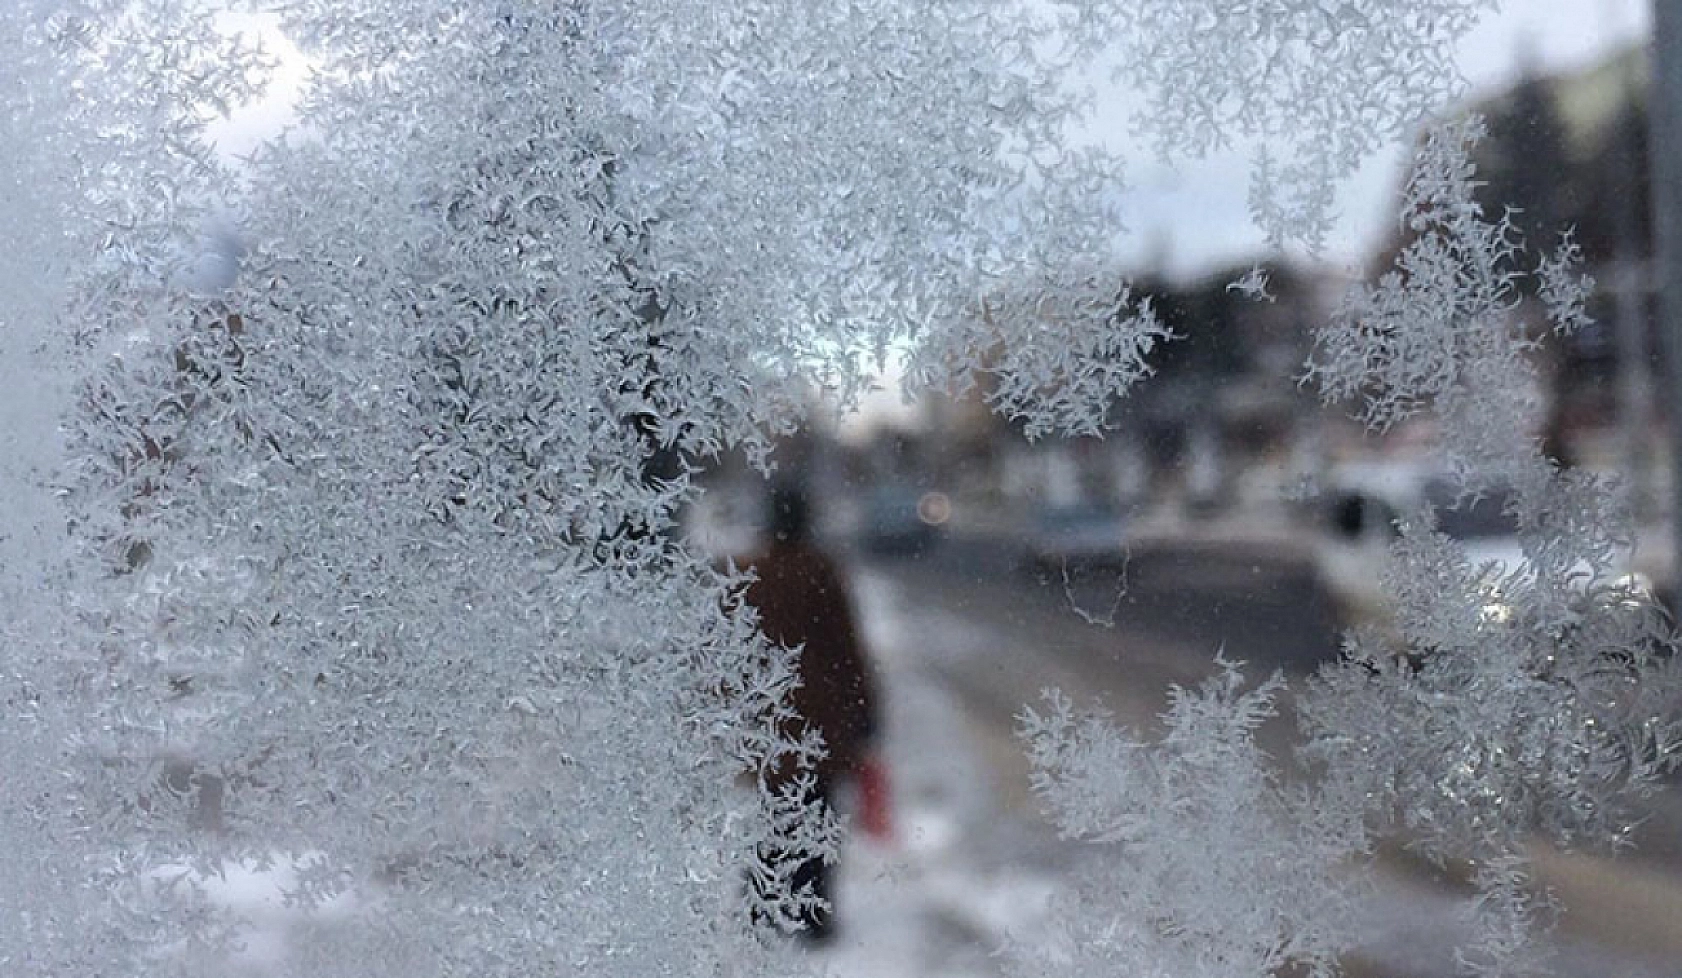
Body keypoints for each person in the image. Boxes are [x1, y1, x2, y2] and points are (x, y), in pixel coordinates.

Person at [740, 480, 880, 943]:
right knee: (816, 818)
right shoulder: (820, 572)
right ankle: (813, 915)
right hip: (819, 722)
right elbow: (846, 650)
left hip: (770, 722)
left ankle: (763, 908)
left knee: (775, 815)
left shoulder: (751, 573)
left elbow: (732, 651)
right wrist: (865, 712)